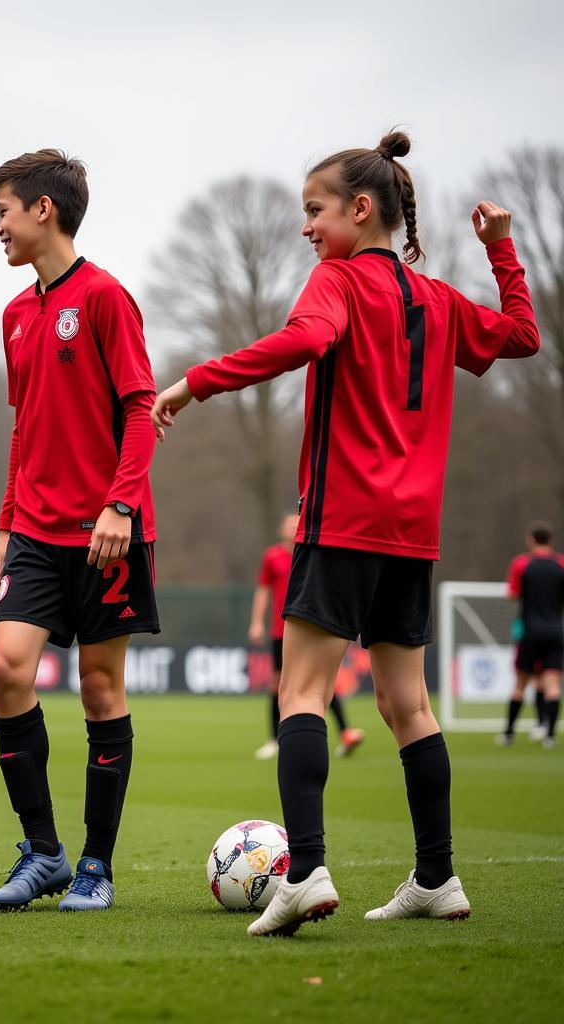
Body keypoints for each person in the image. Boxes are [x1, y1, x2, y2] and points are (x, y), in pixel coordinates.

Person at [152, 131, 539, 936]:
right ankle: (437, 876)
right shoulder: (436, 299)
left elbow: (301, 342)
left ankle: (307, 870)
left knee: (300, 693)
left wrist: (195, 383)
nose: (306, 228)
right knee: (410, 706)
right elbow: (522, 335)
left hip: (341, 524)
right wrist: (503, 254)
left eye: (314, 211)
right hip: (414, 533)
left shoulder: (335, 280)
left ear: (362, 211)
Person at [0, 150, 159, 912]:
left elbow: (140, 409)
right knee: (5, 668)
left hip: (106, 533)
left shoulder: (106, 298)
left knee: (98, 688)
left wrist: (120, 506)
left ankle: (96, 866)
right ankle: (45, 852)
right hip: (34, 532)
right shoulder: (16, 315)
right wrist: (4, 521)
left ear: (43, 211)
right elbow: (26, 427)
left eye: (3, 210)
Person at [249, 513, 364, 759]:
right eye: (289, 523)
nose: (293, 527)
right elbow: (263, 590)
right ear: (281, 529)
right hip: (281, 630)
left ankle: (345, 732)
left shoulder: (313, 553)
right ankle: (274, 739)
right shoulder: (272, 557)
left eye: (297, 522)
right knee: (278, 684)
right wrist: (257, 622)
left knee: (319, 681)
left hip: (310, 627)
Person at [498, 521, 563, 749]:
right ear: (550, 539)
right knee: (553, 684)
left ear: (531, 539)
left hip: (530, 631)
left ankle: (508, 733)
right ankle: (550, 736)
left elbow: (513, 594)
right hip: (556, 630)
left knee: (520, 683)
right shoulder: (561, 564)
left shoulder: (522, 564)